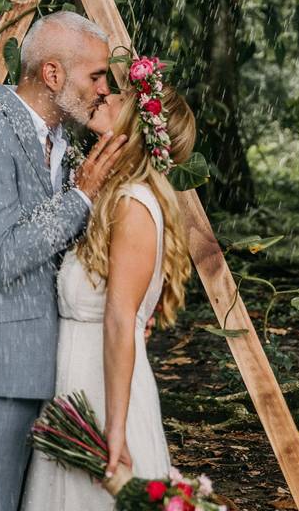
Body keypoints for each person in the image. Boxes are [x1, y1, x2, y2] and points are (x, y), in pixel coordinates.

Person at [0, 11, 128, 511]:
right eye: (96, 75)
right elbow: (0, 255)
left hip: (53, 371)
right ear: (53, 74)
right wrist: (81, 196)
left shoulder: (64, 142)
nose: (105, 89)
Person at [21, 65, 197, 510]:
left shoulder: (134, 204)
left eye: (121, 99)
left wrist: (114, 429)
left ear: (135, 130)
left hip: (105, 395)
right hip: (76, 384)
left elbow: (120, 319)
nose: (107, 98)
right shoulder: (111, 197)